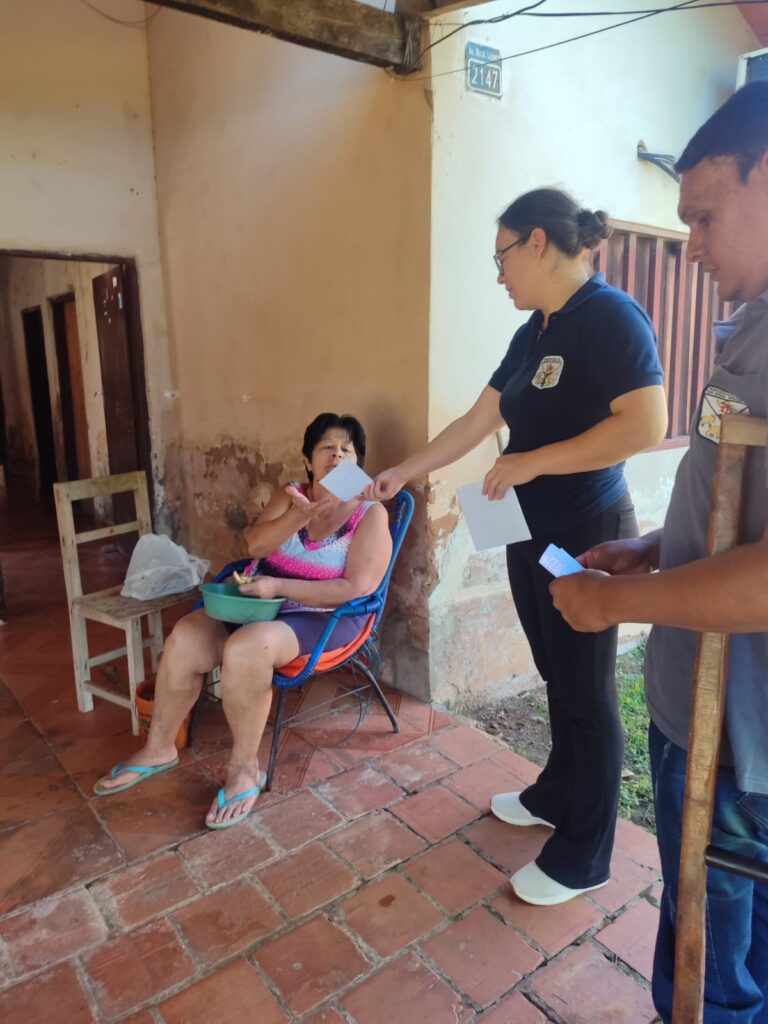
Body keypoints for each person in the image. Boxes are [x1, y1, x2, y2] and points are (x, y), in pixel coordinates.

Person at [366, 187, 667, 905]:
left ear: (538, 242)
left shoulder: (611, 316)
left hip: (589, 534)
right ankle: (557, 792)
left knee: (588, 688)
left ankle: (586, 853)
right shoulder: (534, 330)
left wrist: (533, 462)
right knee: (554, 670)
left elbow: (645, 424)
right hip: (527, 530)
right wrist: (406, 470)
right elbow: (480, 418)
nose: (498, 274)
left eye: (501, 257)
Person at [550, 82, 768, 1023]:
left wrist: (615, 606)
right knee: (713, 943)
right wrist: (651, 547)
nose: (692, 247)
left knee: (712, 976)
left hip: (741, 743)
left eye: (705, 217)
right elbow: (735, 499)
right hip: (705, 715)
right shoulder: (751, 323)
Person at [94, 412, 392, 829]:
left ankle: (244, 771)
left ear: (358, 464)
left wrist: (279, 586)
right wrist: (300, 515)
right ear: (308, 460)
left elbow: (356, 587)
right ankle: (159, 747)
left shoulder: (369, 514)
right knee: (186, 636)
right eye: (327, 447)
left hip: (325, 615)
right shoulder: (290, 496)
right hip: (260, 603)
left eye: (348, 450)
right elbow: (255, 544)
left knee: (246, 648)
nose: (337, 455)